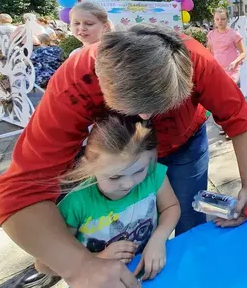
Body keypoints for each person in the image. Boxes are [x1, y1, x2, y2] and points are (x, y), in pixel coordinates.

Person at [0, 24, 247, 288]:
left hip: (184, 143)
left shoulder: (198, 60)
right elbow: (21, 192)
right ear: (102, 83)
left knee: (189, 214)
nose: (146, 119)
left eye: (158, 108)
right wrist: (79, 265)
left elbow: (238, 118)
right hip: (118, 154)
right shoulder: (73, 81)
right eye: (136, 109)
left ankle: (191, 273)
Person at [34, 115, 180, 281]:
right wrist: (97, 258)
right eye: (114, 177)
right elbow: (43, 264)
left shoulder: (153, 174)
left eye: (139, 171)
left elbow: (171, 207)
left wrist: (158, 239)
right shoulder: (75, 204)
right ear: (88, 166)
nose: (128, 183)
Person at [207, 8, 246, 85]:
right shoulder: (211, 34)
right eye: (217, 19)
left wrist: (235, 62)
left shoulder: (234, 34)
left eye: (223, 19)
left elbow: (243, 53)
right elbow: (210, 53)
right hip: (217, 70)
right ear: (214, 20)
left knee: (230, 93)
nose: (220, 21)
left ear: (227, 19)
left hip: (231, 70)